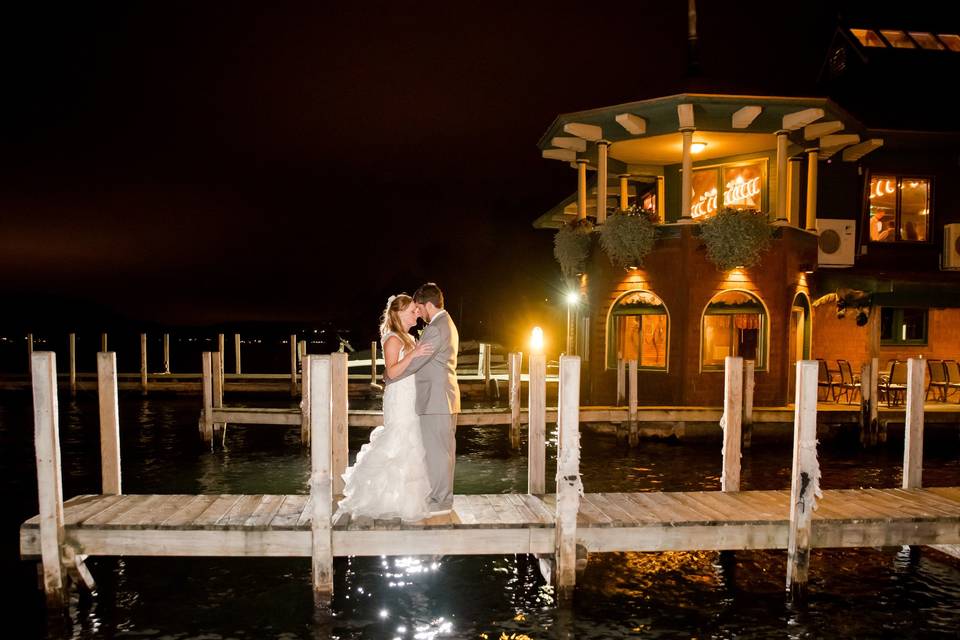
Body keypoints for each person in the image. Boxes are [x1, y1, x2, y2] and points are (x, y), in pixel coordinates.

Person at [337, 294, 435, 521]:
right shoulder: (393, 339)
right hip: (400, 399)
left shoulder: (407, 337)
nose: (417, 314)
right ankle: (381, 500)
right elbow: (391, 371)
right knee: (399, 441)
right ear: (398, 313)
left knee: (412, 444)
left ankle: (405, 499)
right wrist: (415, 353)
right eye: (412, 310)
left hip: (410, 396)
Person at [384, 282, 461, 516]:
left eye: (419, 307)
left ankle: (441, 501)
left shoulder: (436, 327)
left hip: (436, 399)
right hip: (440, 398)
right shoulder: (445, 323)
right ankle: (440, 497)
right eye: (412, 310)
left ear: (428, 304)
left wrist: (390, 376)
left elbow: (418, 361)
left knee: (439, 453)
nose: (419, 313)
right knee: (442, 452)